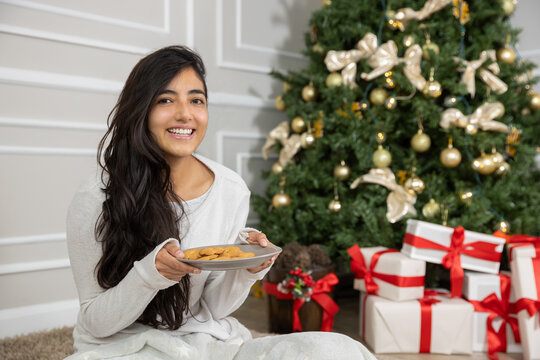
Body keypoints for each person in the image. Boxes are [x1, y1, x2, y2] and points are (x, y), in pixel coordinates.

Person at [66, 45, 376, 360]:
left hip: (205, 345)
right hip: (124, 349)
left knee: (339, 351)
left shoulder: (230, 190)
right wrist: (149, 276)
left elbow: (213, 309)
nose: (185, 113)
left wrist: (247, 269)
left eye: (196, 100)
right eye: (166, 100)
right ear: (140, 111)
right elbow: (96, 322)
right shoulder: (96, 196)